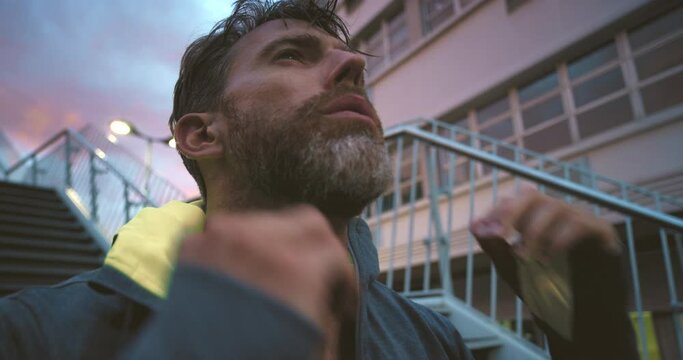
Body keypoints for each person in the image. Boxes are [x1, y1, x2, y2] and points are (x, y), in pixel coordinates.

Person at [0, 1, 638, 359]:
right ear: (200, 136)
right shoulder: (36, 334)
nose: (352, 69)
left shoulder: (428, 340)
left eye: (353, 62)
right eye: (290, 56)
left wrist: (596, 343)